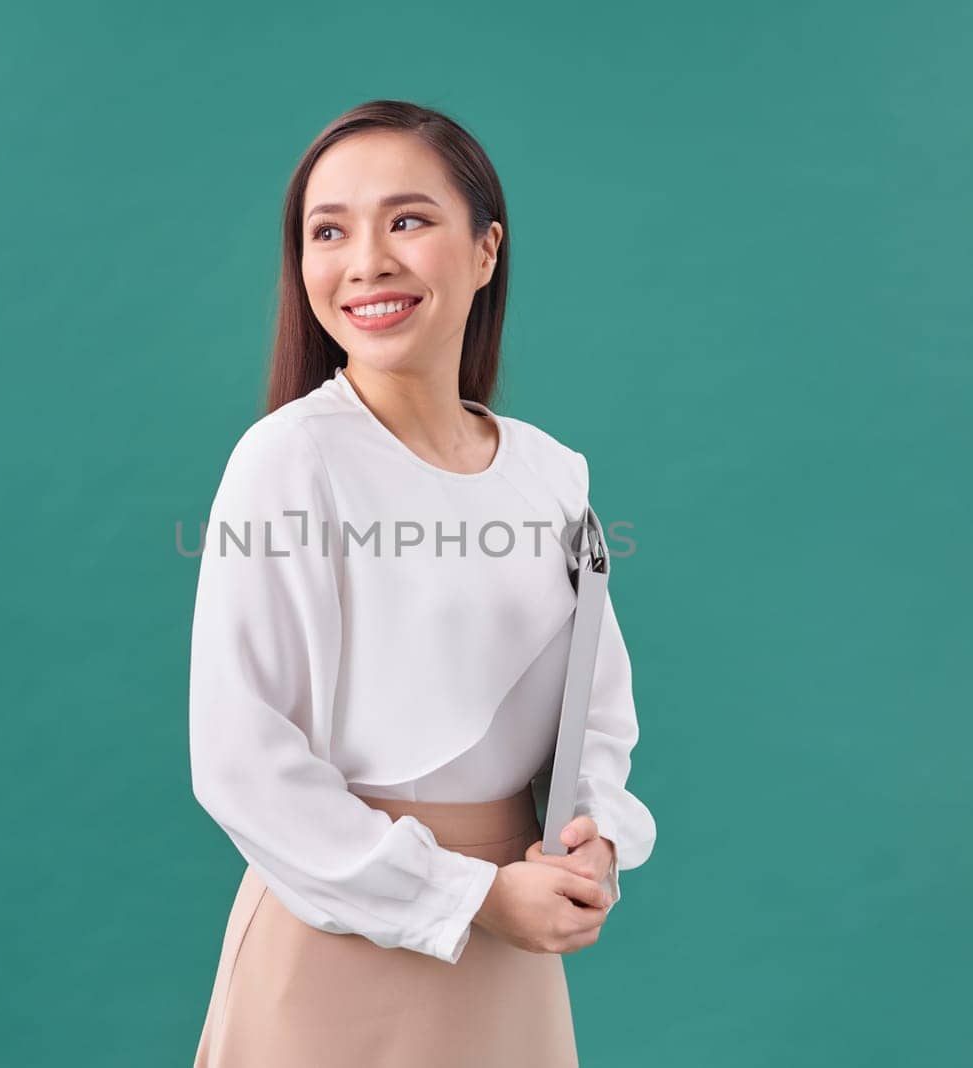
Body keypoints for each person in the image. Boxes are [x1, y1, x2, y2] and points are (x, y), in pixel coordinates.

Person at [189, 99, 656, 1068]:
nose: (366, 262)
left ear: (486, 251)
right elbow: (241, 760)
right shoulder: (289, 462)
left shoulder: (549, 474)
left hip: (512, 952)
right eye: (329, 231)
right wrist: (470, 898)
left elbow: (596, 720)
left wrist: (594, 841)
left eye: (407, 220)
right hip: (339, 950)